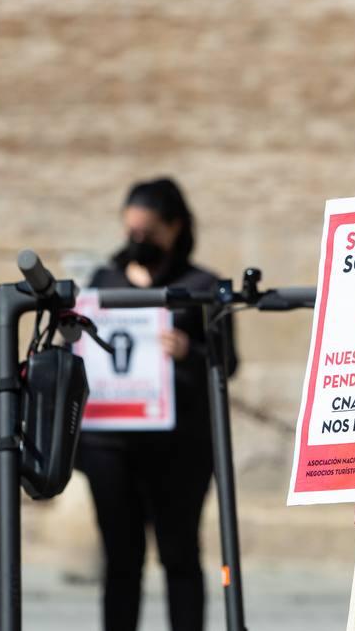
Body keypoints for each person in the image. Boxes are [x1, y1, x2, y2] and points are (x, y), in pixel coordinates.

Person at [75, 178, 237, 631]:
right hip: (110, 446)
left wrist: (190, 350)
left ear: (174, 228)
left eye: (146, 233)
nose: (136, 241)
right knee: (120, 560)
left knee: (180, 555)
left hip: (180, 446)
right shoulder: (103, 282)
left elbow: (230, 362)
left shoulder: (202, 286)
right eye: (131, 232)